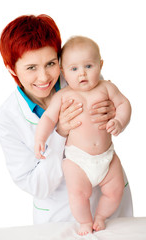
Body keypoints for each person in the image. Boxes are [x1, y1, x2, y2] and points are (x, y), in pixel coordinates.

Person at [0, 15, 133, 227]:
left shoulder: (79, 74)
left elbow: (113, 107)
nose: (43, 78)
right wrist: (59, 133)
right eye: (31, 68)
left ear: (59, 61)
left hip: (109, 196)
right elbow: (37, 185)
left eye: (50, 63)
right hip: (59, 215)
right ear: (11, 68)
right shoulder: (6, 119)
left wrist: (115, 114)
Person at [34, 36, 131, 235]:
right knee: (78, 194)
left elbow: (124, 104)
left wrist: (120, 121)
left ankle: (101, 217)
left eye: (89, 65)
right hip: (77, 160)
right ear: (63, 72)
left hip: (107, 157)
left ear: (100, 65)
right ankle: (85, 222)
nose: (83, 73)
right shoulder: (63, 96)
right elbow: (48, 119)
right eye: (74, 69)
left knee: (115, 191)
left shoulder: (107, 88)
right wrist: (40, 138)